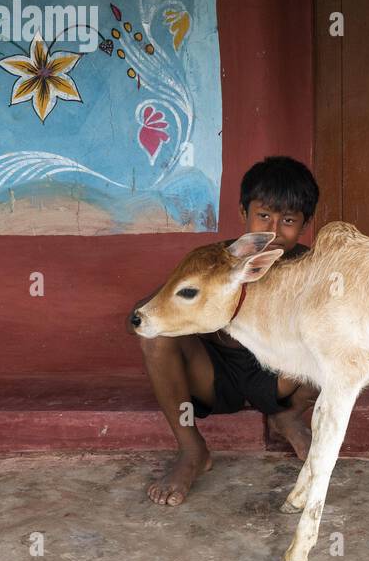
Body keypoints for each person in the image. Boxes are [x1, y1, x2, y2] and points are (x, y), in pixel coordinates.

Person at [134, 156, 320, 506]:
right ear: (242, 213)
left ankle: (287, 415)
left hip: (282, 380)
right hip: (217, 373)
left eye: (289, 221)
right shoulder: (218, 260)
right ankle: (192, 451)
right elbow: (148, 312)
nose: (274, 232)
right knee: (157, 338)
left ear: (306, 224)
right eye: (263, 216)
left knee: (334, 334)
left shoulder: (310, 265)